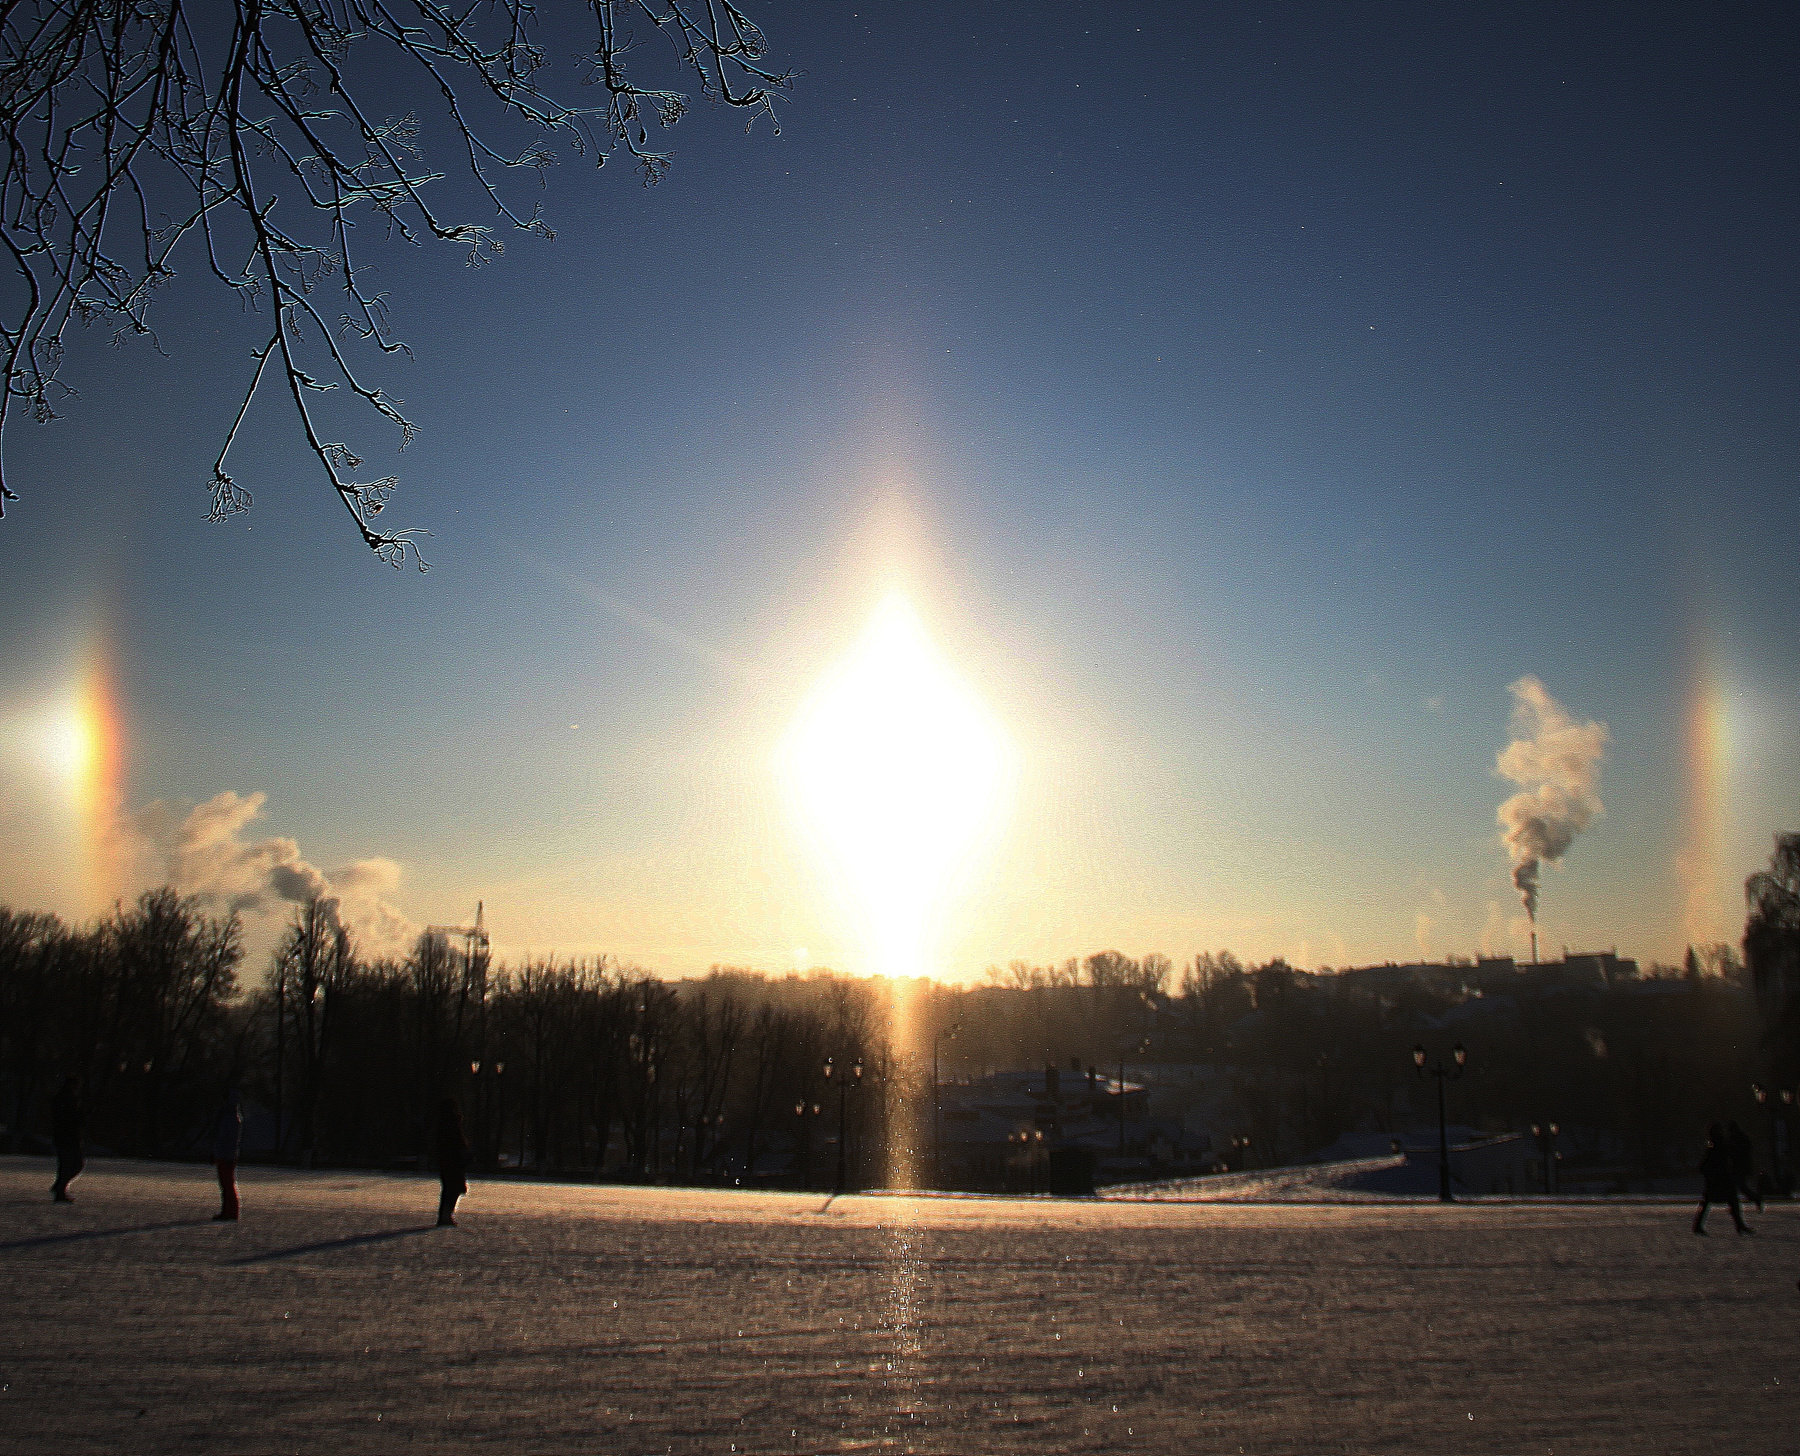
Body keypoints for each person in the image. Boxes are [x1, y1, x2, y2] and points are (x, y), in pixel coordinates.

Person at [1694, 1122, 1752, 1235]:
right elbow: (1730, 1154)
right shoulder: (1720, 1143)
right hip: (1722, 1178)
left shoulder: (1712, 1144)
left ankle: (1698, 1226)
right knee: (1732, 1200)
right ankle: (1740, 1225)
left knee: (1709, 1202)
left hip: (1715, 1179)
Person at [49, 1075, 84, 1203]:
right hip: (67, 1137)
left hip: (67, 1137)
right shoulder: (66, 1099)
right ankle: (60, 1191)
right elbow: (69, 1119)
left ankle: (59, 1188)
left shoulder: (66, 1098)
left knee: (70, 1165)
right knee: (70, 1165)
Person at [435, 1097, 468, 1227]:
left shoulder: (442, 1124)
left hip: (447, 1161)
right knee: (454, 1187)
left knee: (450, 1188)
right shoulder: (451, 1123)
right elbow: (456, 1142)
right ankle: (446, 1215)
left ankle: (445, 1214)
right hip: (453, 1161)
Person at [212, 1087, 242, 1221]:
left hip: (226, 1156)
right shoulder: (226, 1116)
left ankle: (231, 1212)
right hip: (222, 1155)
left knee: (228, 1185)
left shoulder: (232, 1118)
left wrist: (229, 1156)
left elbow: (231, 1140)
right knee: (225, 1185)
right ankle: (226, 1211)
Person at [1725, 1120, 1763, 1214]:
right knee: (1738, 1186)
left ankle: (1754, 1199)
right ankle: (1753, 1199)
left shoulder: (1736, 1139)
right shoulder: (1742, 1138)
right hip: (1741, 1166)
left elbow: (1734, 1152)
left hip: (1738, 1166)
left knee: (1738, 1187)